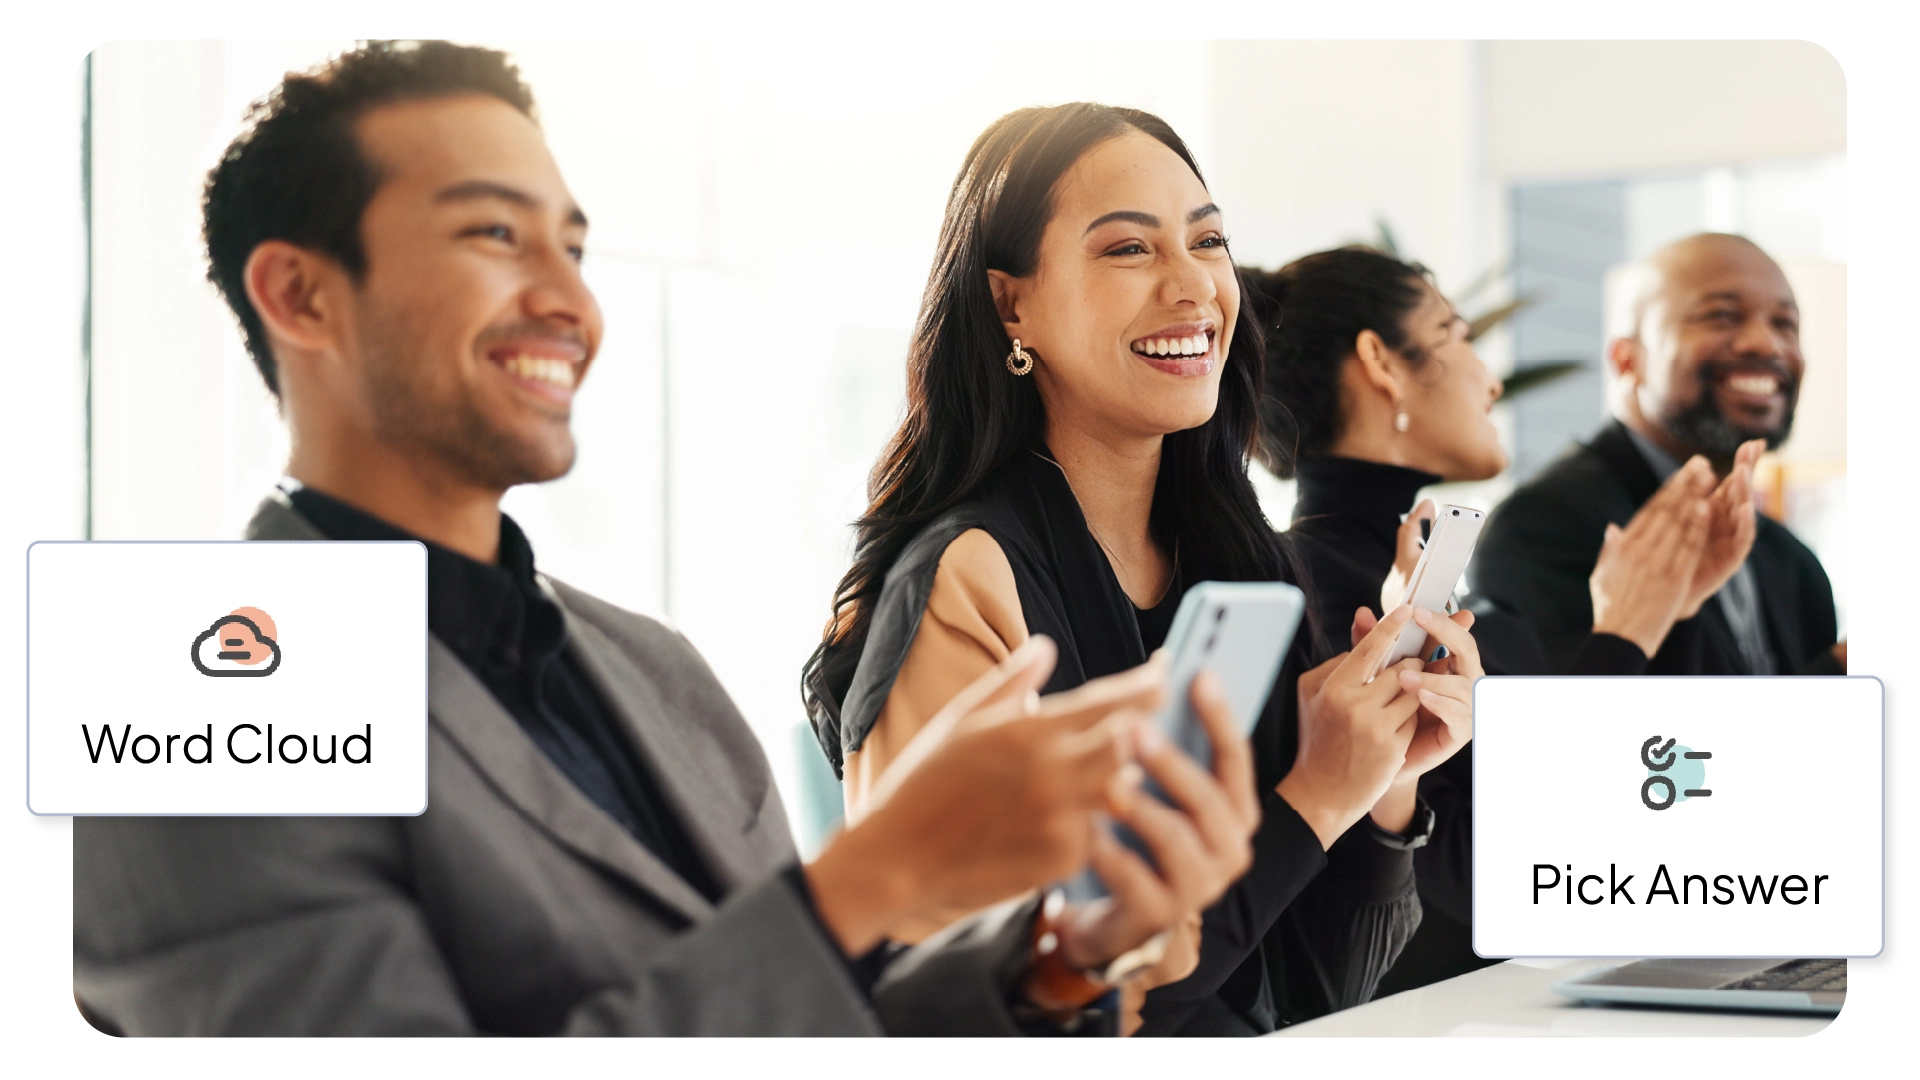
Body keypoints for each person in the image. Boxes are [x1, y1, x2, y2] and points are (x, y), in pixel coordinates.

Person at [69, 41, 1256, 1040]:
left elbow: (805, 1021)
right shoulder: (176, 687)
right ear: (300, 295)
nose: (570, 303)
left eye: (574, 249)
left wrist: (1055, 958)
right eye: (494, 234)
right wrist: (876, 876)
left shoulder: (654, 669)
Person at [801, 104, 1480, 1038]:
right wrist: (1314, 799)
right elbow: (1022, 1017)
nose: (1193, 284)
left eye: (1209, 242)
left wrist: (1382, 783)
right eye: (1128, 249)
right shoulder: (967, 578)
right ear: (1011, 305)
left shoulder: (1243, 565)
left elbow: (1317, 993)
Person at [1242, 245, 1750, 993]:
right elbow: (1509, 880)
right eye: (1458, 335)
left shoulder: (1426, 582)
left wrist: (1670, 614)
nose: (1492, 379)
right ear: (1382, 363)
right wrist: (1623, 636)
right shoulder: (1328, 600)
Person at [1473, 232, 1844, 678]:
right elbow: (1578, 720)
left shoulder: (1790, 561)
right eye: (1723, 316)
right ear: (1626, 360)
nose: (1765, 344)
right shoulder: (1541, 529)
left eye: (1785, 323)